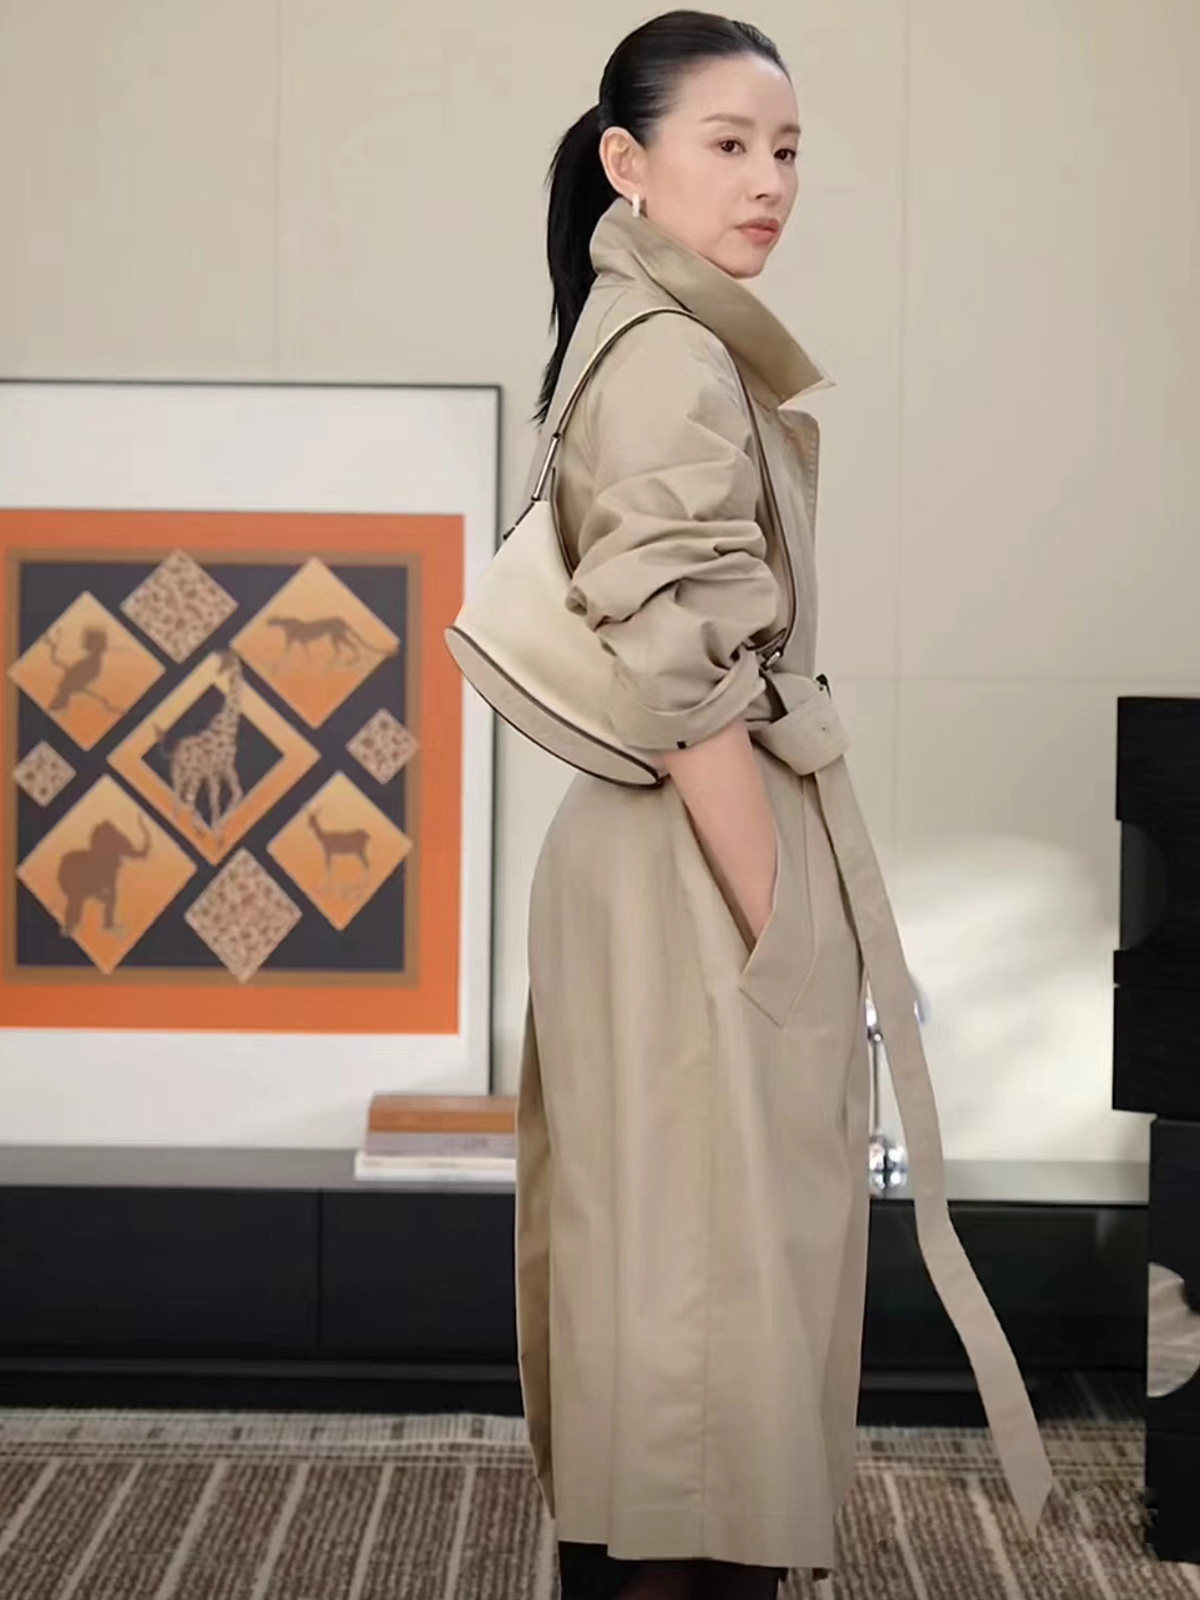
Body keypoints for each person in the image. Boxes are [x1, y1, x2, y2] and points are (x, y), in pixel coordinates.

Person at [510, 11, 1052, 1600]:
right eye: (730, 144)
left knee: (673, 1300)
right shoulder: (672, 356)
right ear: (629, 162)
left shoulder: (647, 332)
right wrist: (788, 942)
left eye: (789, 149)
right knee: (713, 1324)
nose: (769, 181)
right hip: (697, 853)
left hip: (666, 854)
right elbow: (687, 686)